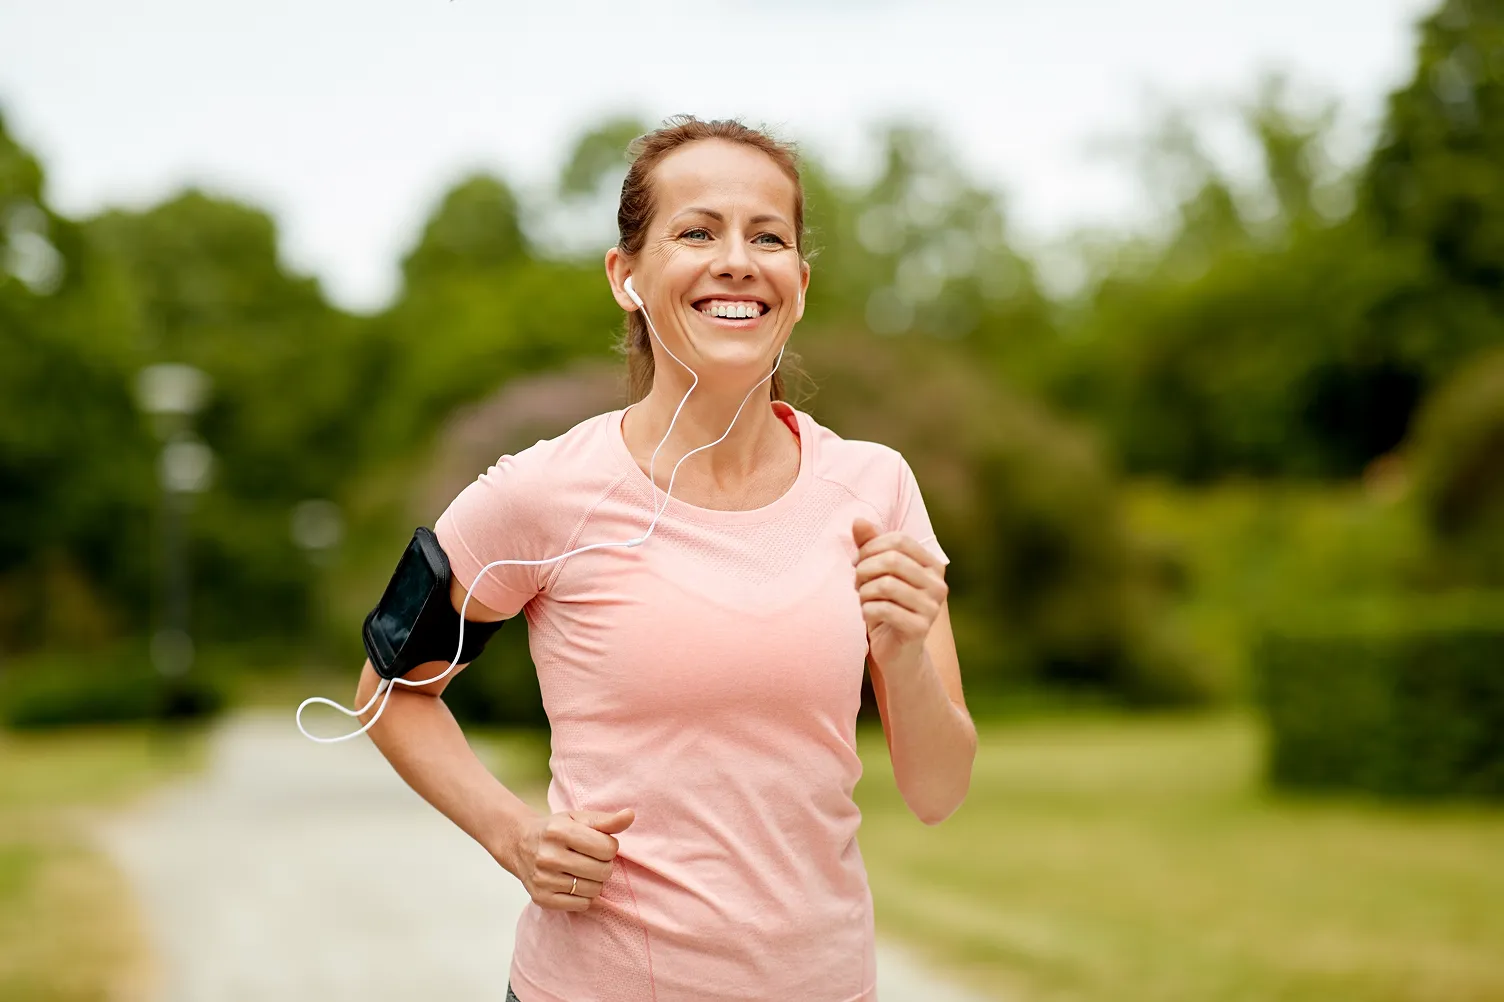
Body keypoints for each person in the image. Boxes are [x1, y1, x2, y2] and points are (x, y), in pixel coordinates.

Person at [353, 116, 976, 1002]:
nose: (737, 259)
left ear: (800, 282)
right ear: (626, 276)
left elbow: (939, 790)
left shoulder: (875, 491)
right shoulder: (540, 494)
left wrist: (907, 653)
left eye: (769, 236)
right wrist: (512, 835)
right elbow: (387, 687)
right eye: (696, 231)